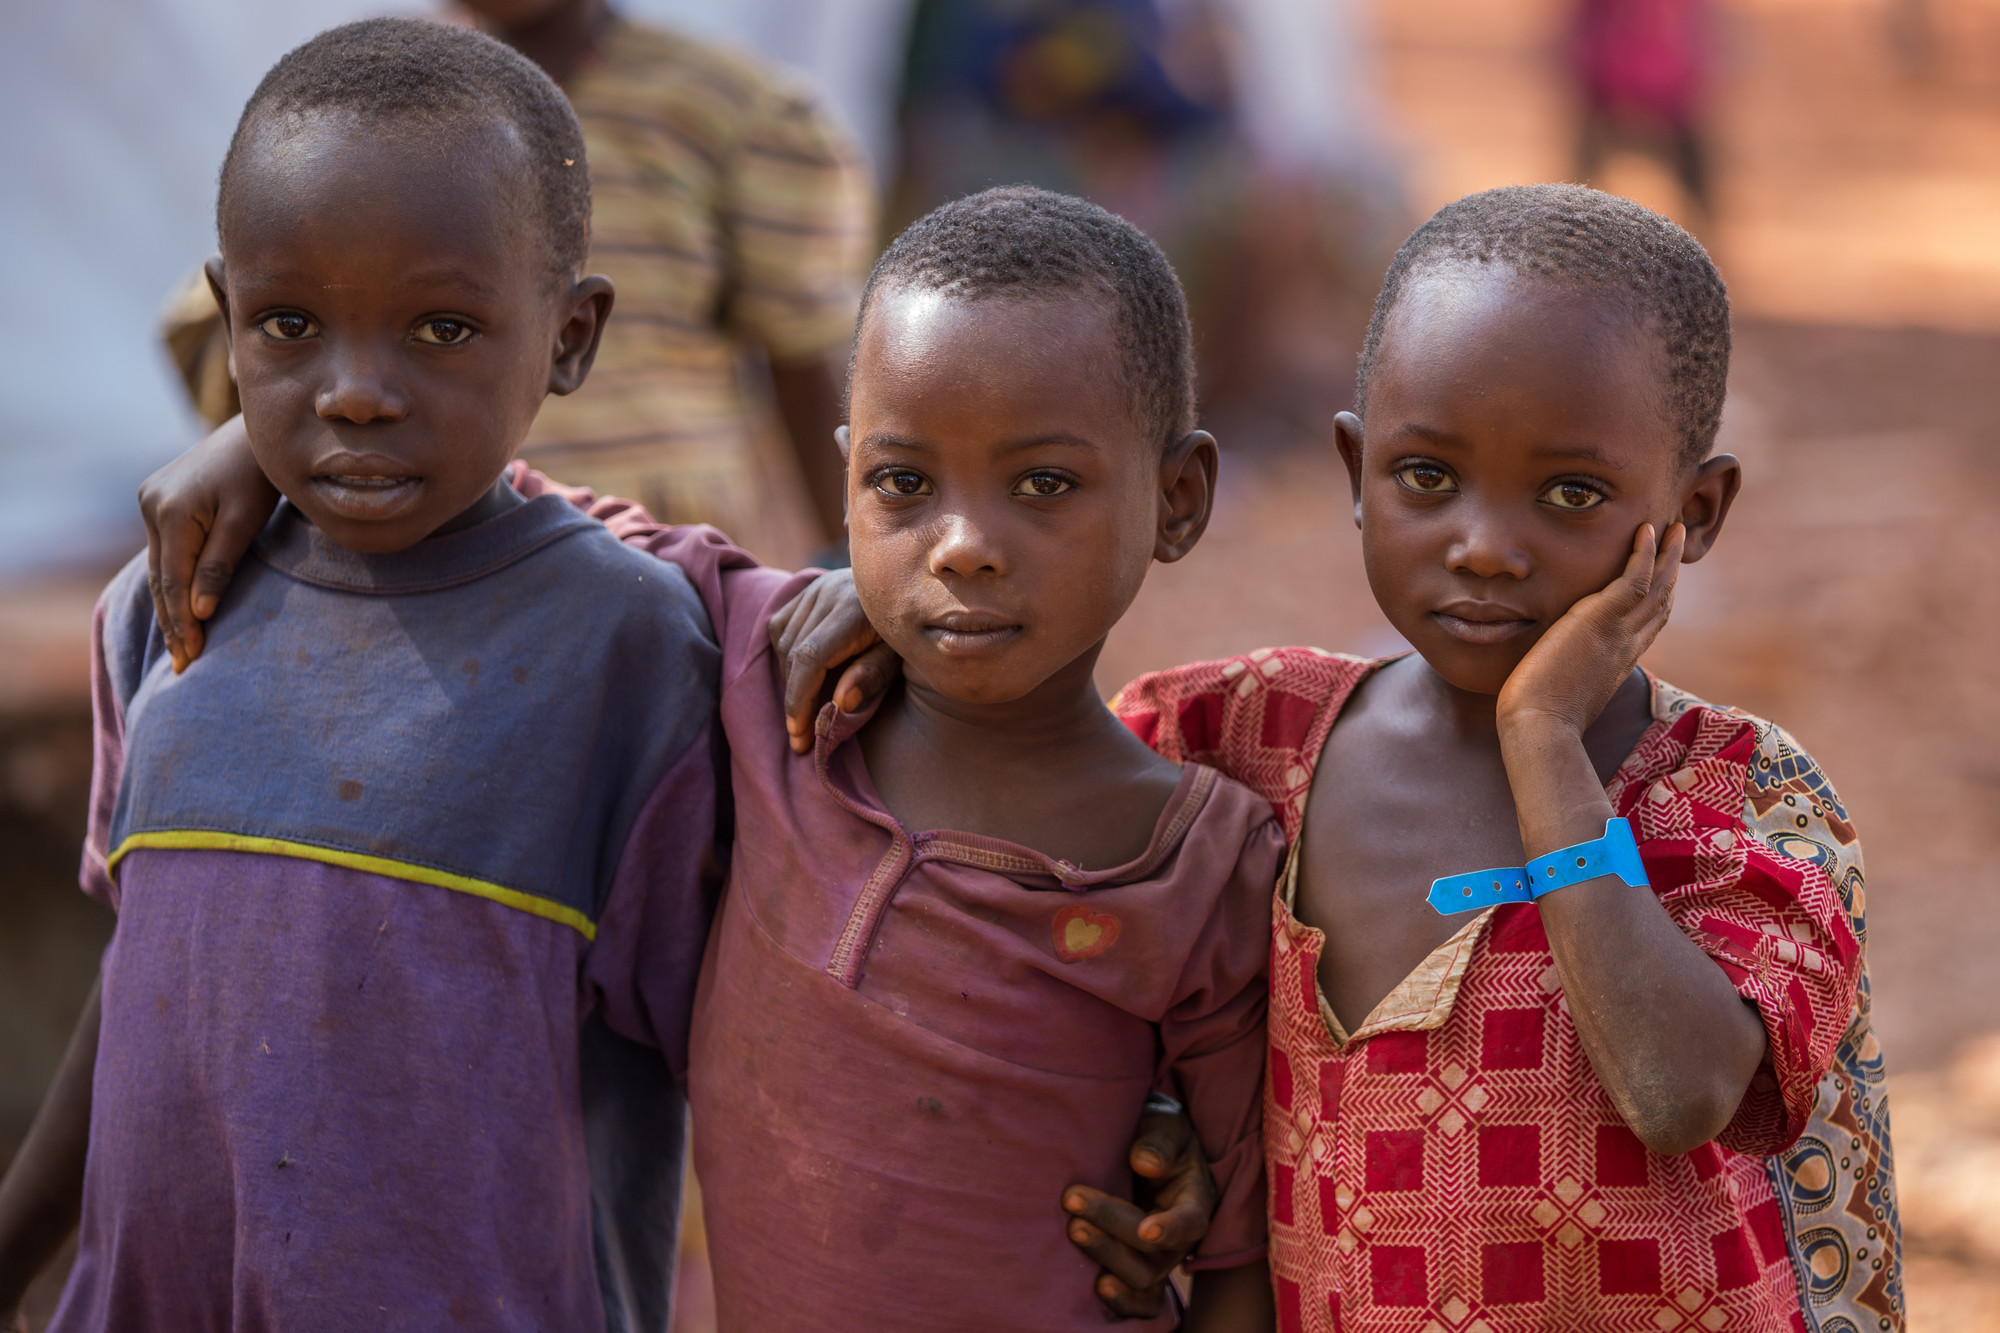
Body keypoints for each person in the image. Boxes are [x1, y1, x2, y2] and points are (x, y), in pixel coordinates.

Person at [31, 187, 1277, 1328]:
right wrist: (257, 441)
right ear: (845, 481)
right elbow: (498, 488)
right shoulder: (769, 693)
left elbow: (1236, 1251)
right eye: (902, 481)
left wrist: (1164, 1135)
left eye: (1043, 484)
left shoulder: (1194, 867)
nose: (960, 545)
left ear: (1176, 499)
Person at [0, 20, 726, 1330]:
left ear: (570, 337)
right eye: (292, 324)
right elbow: (148, 978)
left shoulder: (632, 648)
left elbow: (749, 1036)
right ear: (229, 322)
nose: (356, 394)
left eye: (441, 327)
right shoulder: (165, 605)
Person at [1082, 185, 1901, 1329]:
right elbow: (1016, 819)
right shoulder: (1237, 739)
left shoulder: (1735, 797)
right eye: (1425, 477)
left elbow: (1674, 1091)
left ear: (1694, 512)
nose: (1483, 545)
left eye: (1569, 493)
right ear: (1354, 472)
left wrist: (1542, 738)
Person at [162, 0, 874, 569]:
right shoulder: (348, 105)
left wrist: (845, 559)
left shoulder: (730, 113)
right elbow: (269, 306)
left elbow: (805, 369)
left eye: (445, 328)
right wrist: (243, 442)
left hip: (661, 543)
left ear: (575, 335)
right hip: (427, 539)